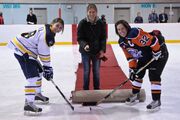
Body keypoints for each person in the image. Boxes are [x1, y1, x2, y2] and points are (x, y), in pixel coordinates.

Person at [7, 18, 64, 114]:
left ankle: (37, 94)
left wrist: (46, 68)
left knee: (40, 72)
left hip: (27, 50)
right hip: (23, 51)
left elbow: (42, 51)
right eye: (57, 25)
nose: (58, 28)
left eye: (60, 28)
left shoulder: (48, 31)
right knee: (32, 77)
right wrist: (48, 68)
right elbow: (43, 52)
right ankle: (28, 103)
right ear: (52, 24)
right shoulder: (47, 35)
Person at [115, 20, 168, 110]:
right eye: (118, 29)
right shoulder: (122, 42)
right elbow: (131, 57)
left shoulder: (134, 34)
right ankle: (135, 95)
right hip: (144, 57)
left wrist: (157, 51)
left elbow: (153, 40)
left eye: (122, 28)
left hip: (159, 54)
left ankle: (156, 100)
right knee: (137, 74)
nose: (121, 31)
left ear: (127, 27)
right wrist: (132, 69)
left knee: (154, 76)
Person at [77, 4, 106, 90]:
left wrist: (102, 50)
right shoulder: (82, 23)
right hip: (85, 51)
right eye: (90, 12)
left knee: (96, 71)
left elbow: (103, 38)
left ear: (96, 12)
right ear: (87, 12)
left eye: (93, 12)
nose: (92, 14)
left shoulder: (101, 23)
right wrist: (84, 45)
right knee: (86, 71)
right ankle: (86, 89)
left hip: (97, 51)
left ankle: (96, 89)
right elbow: (79, 38)